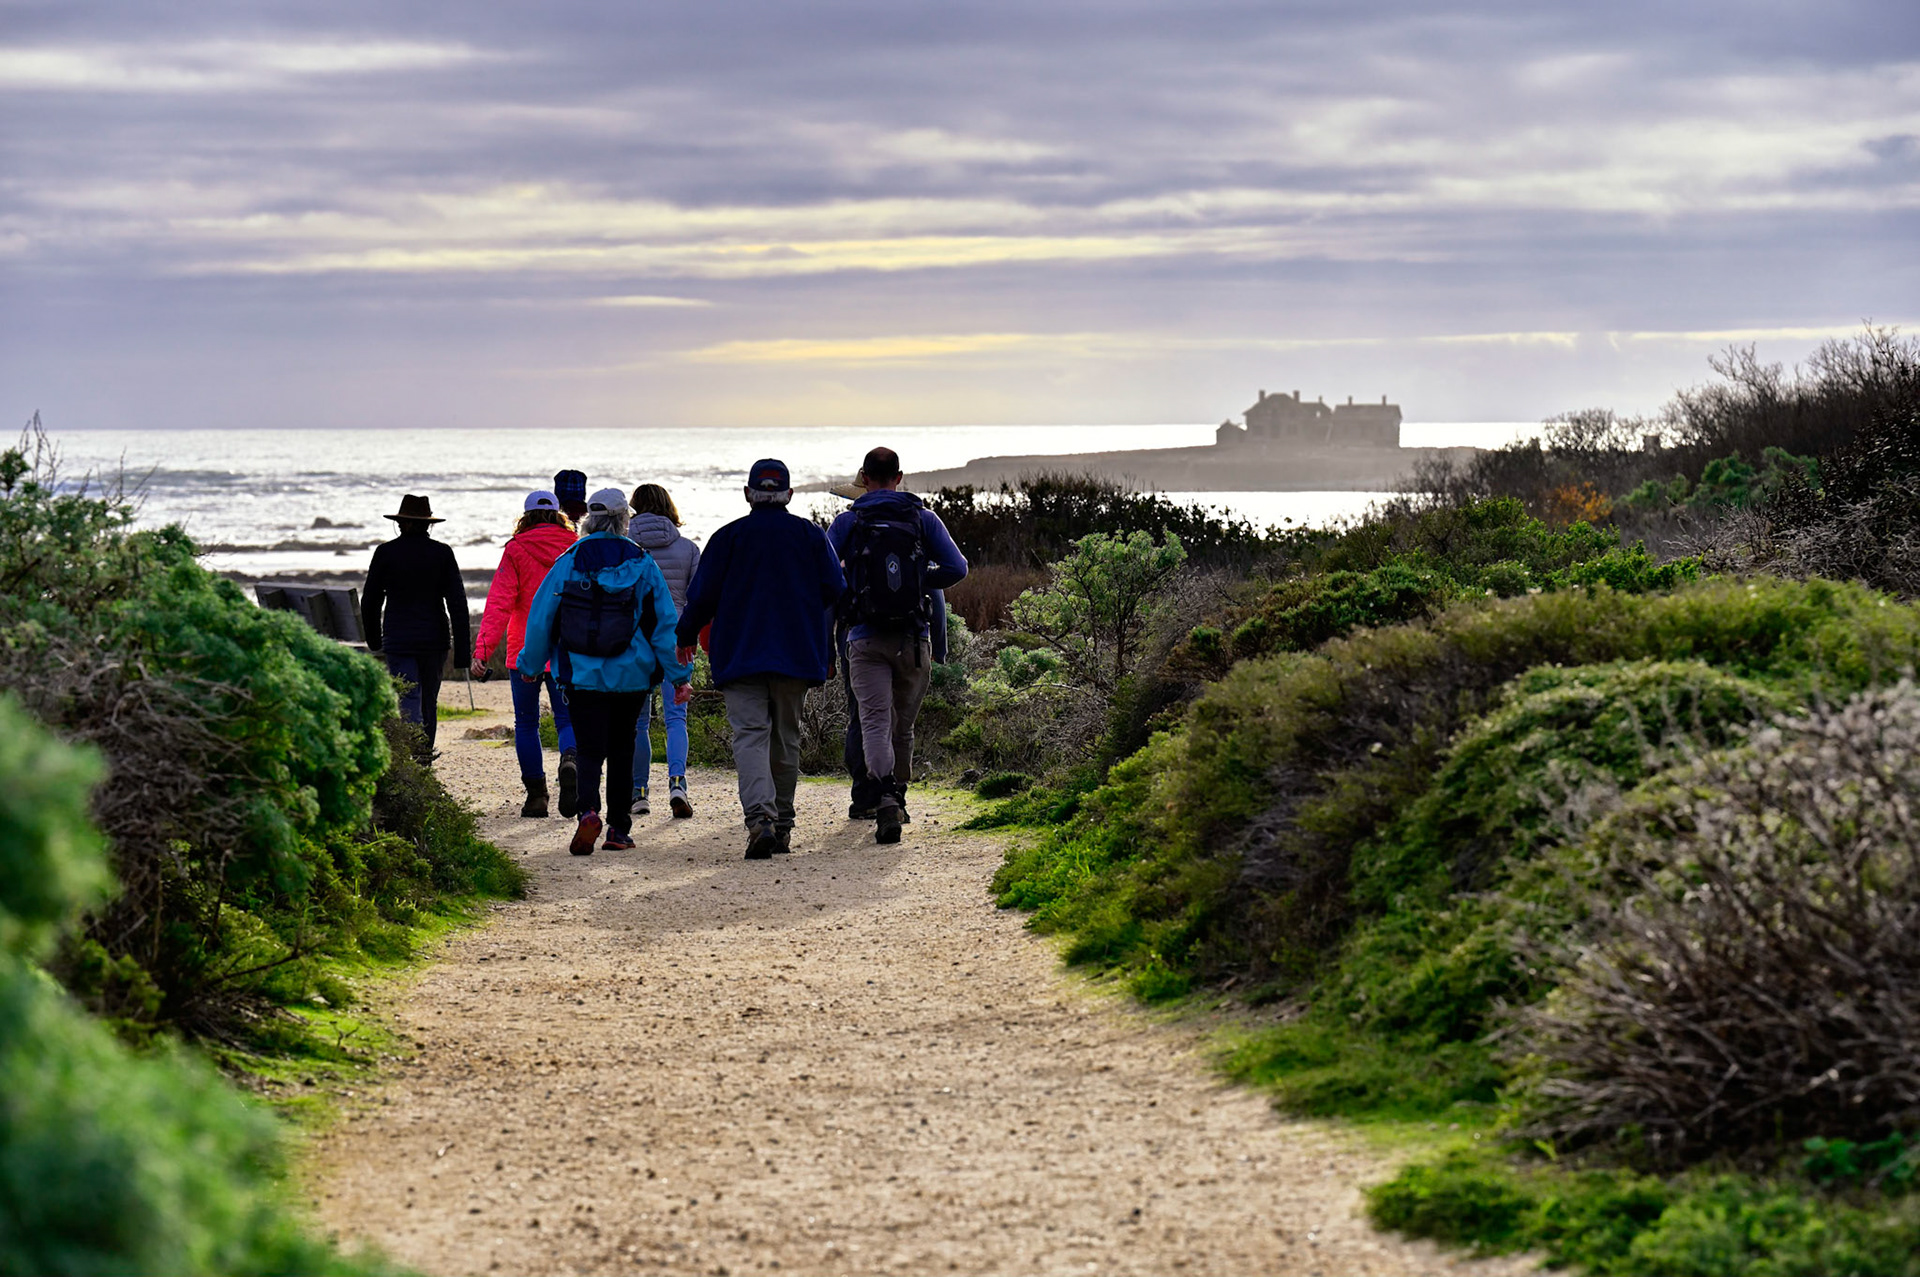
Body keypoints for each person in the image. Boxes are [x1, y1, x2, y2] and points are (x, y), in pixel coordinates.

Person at [674, 459, 844, 860]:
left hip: (741, 653)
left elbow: (702, 598)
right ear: (789, 494)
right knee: (786, 738)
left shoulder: (728, 537)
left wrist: (684, 636)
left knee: (750, 736)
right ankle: (782, 823)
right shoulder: (809, 535)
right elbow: (835, 587)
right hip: (796, 652)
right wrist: (803, 612)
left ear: (749, 493)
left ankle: (760, 820)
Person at [516, 489, 691, 855]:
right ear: (623, 520)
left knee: (590, 748)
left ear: (589, 520)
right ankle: (618, 829)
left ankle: (588, 812)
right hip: (632, 676)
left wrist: (530, 665)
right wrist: (679, 675)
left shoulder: (569, 559)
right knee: (623, 748)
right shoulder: (642, 563)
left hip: (580, 674)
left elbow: (542, 617)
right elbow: (664, 627)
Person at [827, 447, 968, 843]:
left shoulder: (847, 522)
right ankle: (898, 794)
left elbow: (823, 576)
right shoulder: (924, 519)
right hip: (913, 637)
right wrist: (919, 579)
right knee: (902, 726)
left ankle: (882, 792)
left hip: (864, 636)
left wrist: (851, 592)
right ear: (899, 477)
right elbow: (958, 568)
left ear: (865, 479)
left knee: (872, 720)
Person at [474, 491, 580, 818]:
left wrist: (483, 650)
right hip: (569, 648)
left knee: (526, 723)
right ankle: (571, 760)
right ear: (557, 515)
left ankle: (537, 797)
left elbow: (499, 603)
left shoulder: (516, 550)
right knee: (566, 719)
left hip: (524, 650)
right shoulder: (574, 547)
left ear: (526, 515)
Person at [362, 493, 470, 758]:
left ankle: (413, 755)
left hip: (398, 639)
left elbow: (370, 601)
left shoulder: (386, 553)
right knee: (428, 701)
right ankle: (423, 756)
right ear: (428, 524)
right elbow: (457, 602)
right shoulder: (442, 553)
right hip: (435, 639)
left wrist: (374, 641)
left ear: (402, 523)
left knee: (408, 696)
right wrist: (463, 654)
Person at [627, 483, 700, 819]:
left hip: (634, 642)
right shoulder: (687, 549)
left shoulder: (626, 547)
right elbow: (698, 600)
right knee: (676, 718)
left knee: (639, 722)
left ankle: (639, 792)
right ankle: (677, 784)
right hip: (676, 641)